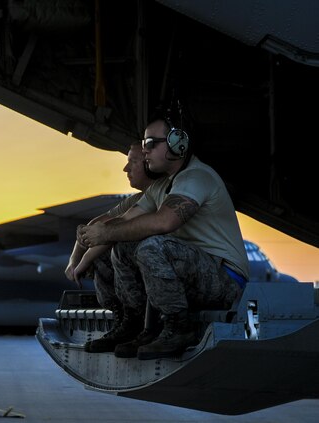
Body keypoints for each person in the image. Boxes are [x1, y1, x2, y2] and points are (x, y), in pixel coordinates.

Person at [77, 118, 250, 360]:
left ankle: (178, 329)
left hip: (225, 280)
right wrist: (90, 243)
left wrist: (104, 233)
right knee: (123, 245)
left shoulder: (196, 177)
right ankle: (135, 325)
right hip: (192, 274)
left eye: (150, 143)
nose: (144, 150)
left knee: (151, 245)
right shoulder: (161, 187)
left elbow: (164, 222)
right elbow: (126, 221)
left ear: (177, 144)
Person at [64, 143, 159, 320]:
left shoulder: (161, 195)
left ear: (148, 165)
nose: (126, 168)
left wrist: (85, 260)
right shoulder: (140, 199)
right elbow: (100, 223)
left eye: (133, 161)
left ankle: (134, 317)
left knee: (113, 249)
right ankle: (122, 315)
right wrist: (74, 260)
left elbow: (116, 230)